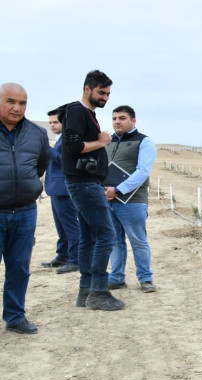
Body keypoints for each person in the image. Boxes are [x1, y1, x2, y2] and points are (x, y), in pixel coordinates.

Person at [60, 70, 125, 311]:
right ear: (87, 88)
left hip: (84, 183)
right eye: (101, 92)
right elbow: (73, 145)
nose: (105, 98)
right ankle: (98, 291)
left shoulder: (86, 113)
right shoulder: (78, 111)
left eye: (108, 93)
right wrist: (101, 142)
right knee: (107, 235)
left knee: (89, 237)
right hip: (85, 184)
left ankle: (85, 291)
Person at [0, 83, 50, 334]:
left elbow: (39, 167)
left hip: (25, 212)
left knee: (19, 267)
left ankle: (15, 316)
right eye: (10, 101)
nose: (17, 108)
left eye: (22, 103)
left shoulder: (37, 134)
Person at [103, 106, 156, 293]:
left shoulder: (144, 141)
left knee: (138, 241)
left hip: (132, 201)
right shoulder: (107, 141)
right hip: (108, 200)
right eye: (114, 118)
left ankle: (145, 278)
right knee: (115, 241)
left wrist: (118, 190)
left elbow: (142, 171)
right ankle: (116, 277)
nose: (117, 121)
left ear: (133, 121)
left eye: (122, 118)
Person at [42, 109, 80, 274]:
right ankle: (62, 255)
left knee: (70, 225)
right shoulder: (59, 139)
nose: (52, 125)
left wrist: (48, 150)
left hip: (64, 190)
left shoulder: (68, 139)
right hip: (56, 189)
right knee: (61, 226)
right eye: (50, 122)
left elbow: (63, 160)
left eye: (55, 122)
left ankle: (75, 259)